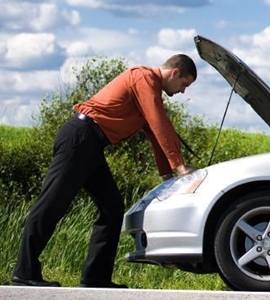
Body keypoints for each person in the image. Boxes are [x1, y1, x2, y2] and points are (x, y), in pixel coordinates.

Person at [11, 54, 198, 288]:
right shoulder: (144, 77)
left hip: (91, 146)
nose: (182, 91)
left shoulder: (150, 92)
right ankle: (24, 272)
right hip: (79, 138)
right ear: (175, 73)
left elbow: (153, 132)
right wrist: (179, 165)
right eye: (184, 85)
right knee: (51, 205)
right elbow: (159, 122)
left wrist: (168, 176)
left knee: (112, 208)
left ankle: (95, 278)